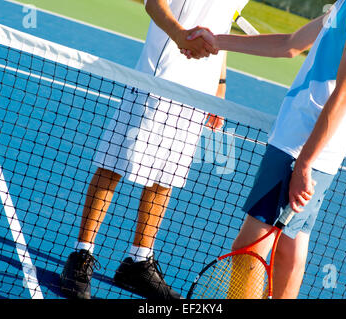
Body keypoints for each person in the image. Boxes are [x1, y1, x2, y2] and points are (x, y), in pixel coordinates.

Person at [185, 0, 346, 298]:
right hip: (307, 145)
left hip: (301, 146)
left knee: (248, 252)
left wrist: (305, 163)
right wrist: (217, 41)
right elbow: (290, 44)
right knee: (288, 249)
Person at [60, 0, 249, 299]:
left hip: (199, 91)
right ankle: (81, 255)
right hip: (156, 79)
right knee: (114, 164)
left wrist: (220, 86)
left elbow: (219, 29)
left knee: (166, 176)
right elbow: (153, 3)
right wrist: (178, 35)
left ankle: (138, 261)